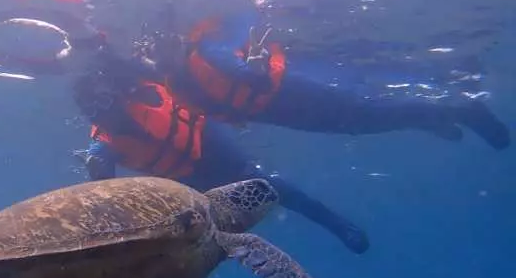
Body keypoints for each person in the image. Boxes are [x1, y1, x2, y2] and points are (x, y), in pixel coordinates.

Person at [71, 68, 371, 254]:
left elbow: (167, 76)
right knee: (214, 231)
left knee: (267, 185)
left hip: (210, 141)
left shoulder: (143, 93)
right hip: (187, 178)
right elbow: (102, 175)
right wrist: (96, 170)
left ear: (116, 94)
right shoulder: (103, 141)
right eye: (92, 111)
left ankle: (338, 225)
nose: (101, 113)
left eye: (104, 102)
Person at [142, 10, 510, 150]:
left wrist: (251, 72)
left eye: (161, 48)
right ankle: (432, 116)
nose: (159, 58)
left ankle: (461, 108)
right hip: (281, 110)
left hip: (291, 92)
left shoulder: (204, 52)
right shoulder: (178, 84)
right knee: (359, 122)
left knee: (364, 110)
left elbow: (245, 75)